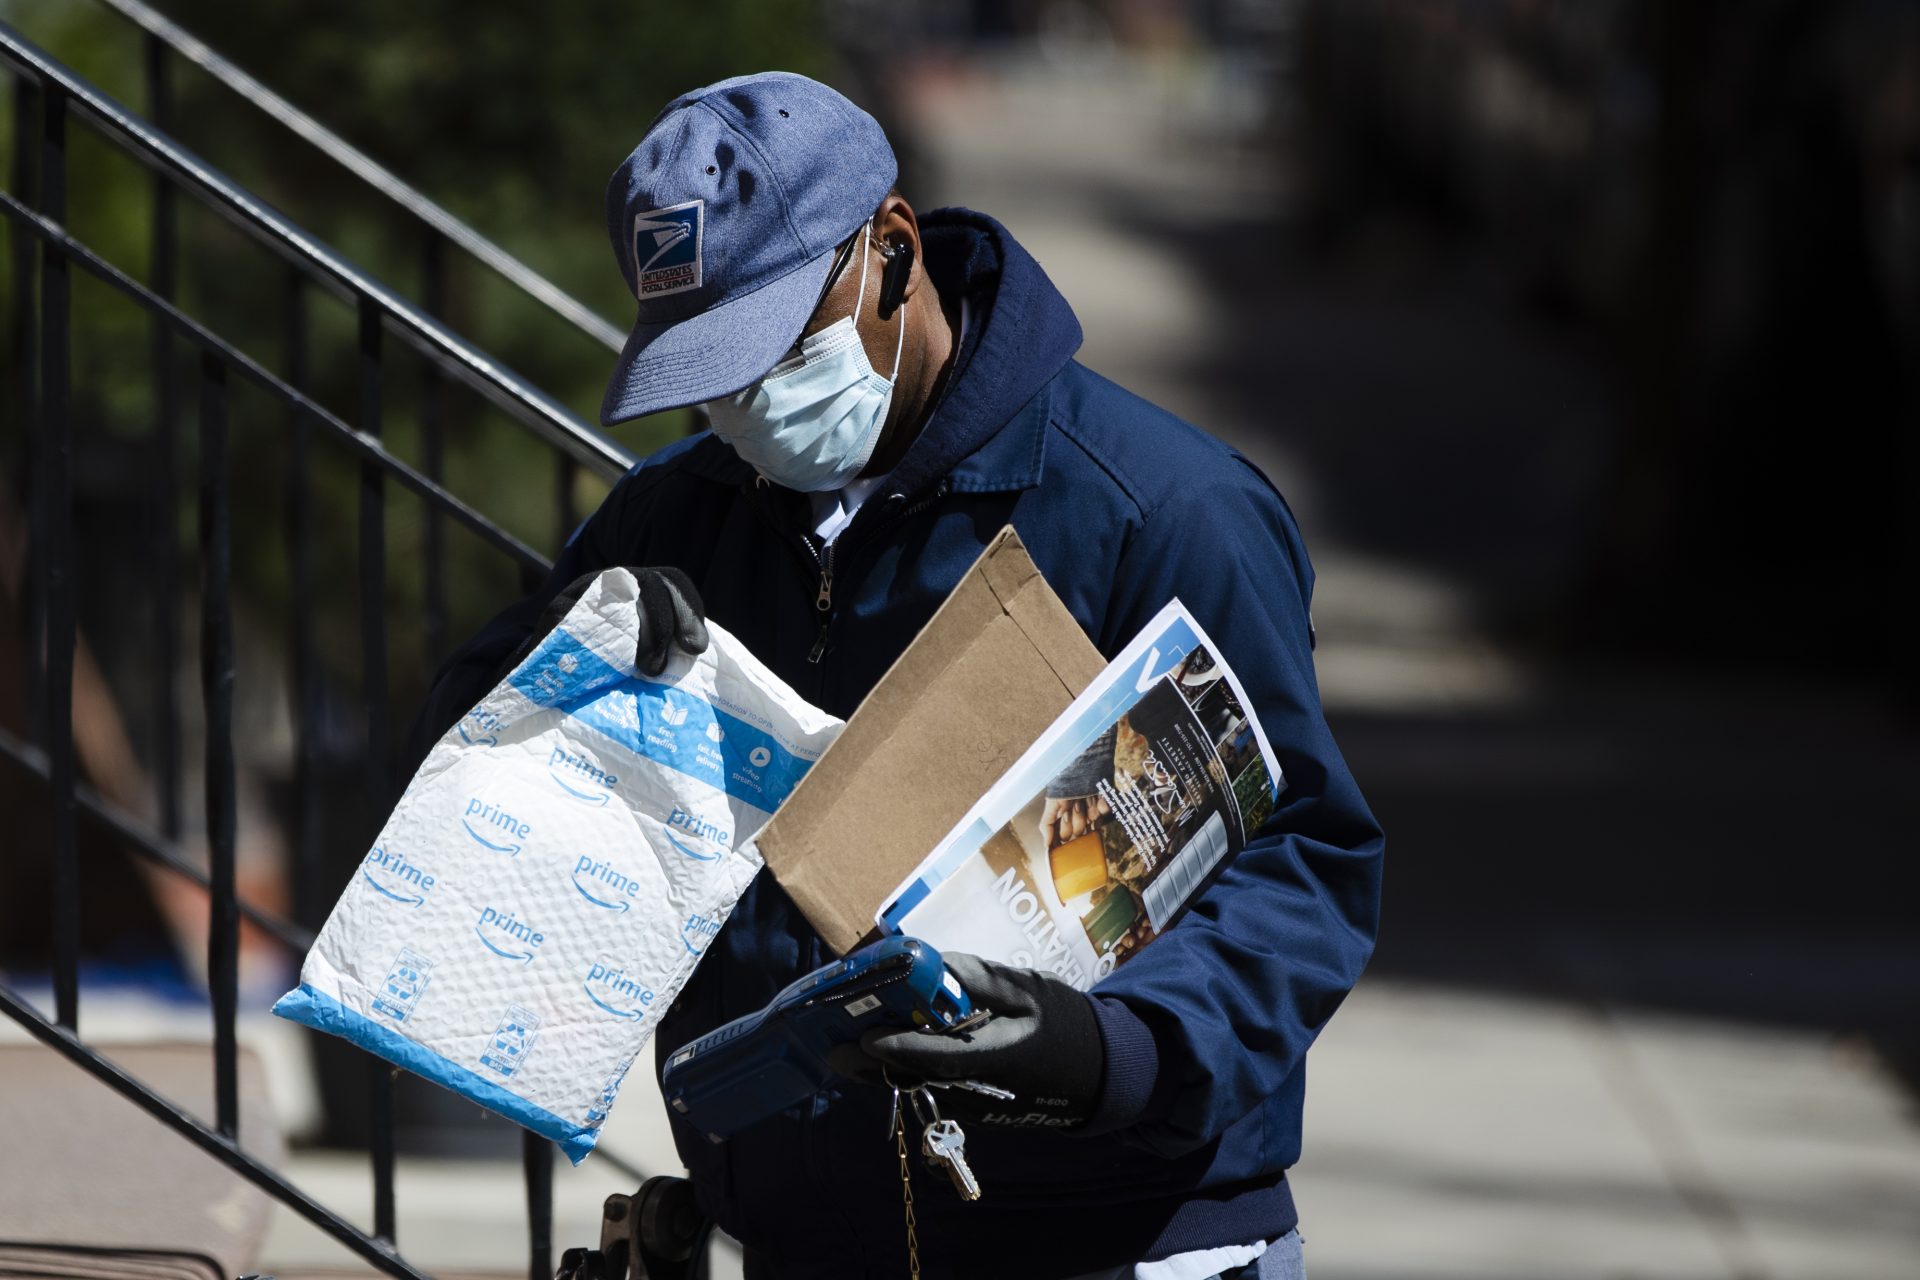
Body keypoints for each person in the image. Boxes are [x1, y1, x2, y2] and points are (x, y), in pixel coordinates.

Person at [405, 71, 1383, 1280]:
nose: (748, 405)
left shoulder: (1163, 512)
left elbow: (1306, 862)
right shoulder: (675, 518)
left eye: (771, 347)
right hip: (806, 1240)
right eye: (708, 374)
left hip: (1119, 1242)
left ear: (892, 251)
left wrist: (1108, 1050)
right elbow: (461, 767)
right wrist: (562, 653)